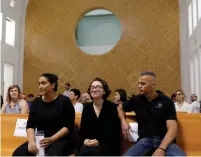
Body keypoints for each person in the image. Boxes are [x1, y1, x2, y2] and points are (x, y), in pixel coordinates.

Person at [118, 71, 186, 156]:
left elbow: (172, 129)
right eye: (139, 83)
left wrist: (161, 148)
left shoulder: (166, 101)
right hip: (144, 140)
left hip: (164, 139)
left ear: (153, 85)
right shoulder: (136, 100)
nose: (139, 86)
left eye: (143, 84)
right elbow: (120, 108)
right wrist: (123, 121)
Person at [12, 73, 75, 156]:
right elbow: (30, 125)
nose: (40, 86)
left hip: (59, 139)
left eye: (43, 83)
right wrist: (31, 142)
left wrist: (52, 139)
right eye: (39, 84)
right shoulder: (36, 102)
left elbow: (68, 126)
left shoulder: (65, 101)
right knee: (17, 154)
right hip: (40, 139)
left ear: (53, 85)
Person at [77, 77, 121, 156]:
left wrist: (99, 141)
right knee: (83, 152)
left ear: (104, 91)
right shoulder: (87, 108)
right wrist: (85, 140)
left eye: (97, 87)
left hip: (107, 143)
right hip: (90, 143)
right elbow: (83, 129)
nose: (94, 89)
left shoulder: (112, 107)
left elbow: (114, 131)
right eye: (92, 87)